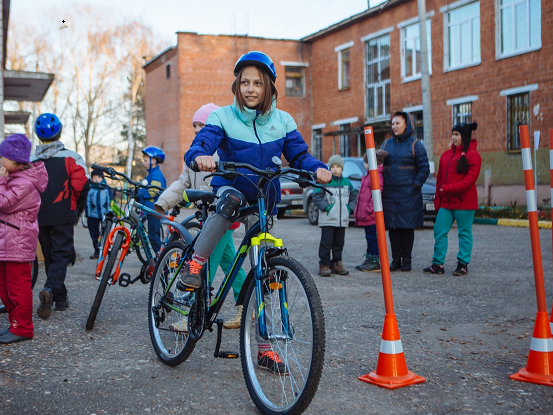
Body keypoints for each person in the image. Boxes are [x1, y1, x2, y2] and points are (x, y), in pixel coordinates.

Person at [181, 51, 331, 372]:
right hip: (231, 188)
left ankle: (264, 349)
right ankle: (195, 264)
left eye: (258, 83)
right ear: (237, 85)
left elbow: (300, 154)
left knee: (264, 272)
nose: (251, 88)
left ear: (269, 88)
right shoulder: (222, 117)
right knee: (229, 201)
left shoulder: (283, 121)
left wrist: (316, 168)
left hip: (263, 198)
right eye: (245, 82)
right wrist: (199, 155)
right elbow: (204, 143)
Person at [154, 103, 247, 330]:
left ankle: (192, 315)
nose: (197, 129)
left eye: (202, 125)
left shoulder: (222, 151)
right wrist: (163, 202)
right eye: (195, 125)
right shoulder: (195, 154)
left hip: (222, 218)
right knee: (230, 264)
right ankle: (246, 306)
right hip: (207, 216)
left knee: (203, 265)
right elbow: (182, 183)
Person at [32, 113, 90, 319]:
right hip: (63, 212)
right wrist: (76, 210)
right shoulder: (72, 158)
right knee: (61, 255)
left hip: (39, 214)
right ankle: (50, 289)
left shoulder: (32, 161)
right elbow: (82, 185)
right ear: (60, 131)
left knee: (49, 256)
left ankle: (60, 298)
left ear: (38, 136)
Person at [0, 135, 48, 344]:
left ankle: (23, 328)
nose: (0, 160)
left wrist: (1, 180)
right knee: (4, 287)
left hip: (18, 244)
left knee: (17, 288)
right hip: (7, 241)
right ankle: (15, 324)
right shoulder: (15, 178)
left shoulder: (25, 183)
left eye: (3, 157)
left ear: (15, 160)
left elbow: (3, 203)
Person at [424, 122, 481, 276]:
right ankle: (438, 264)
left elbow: (469, 181)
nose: (454, 138)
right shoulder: (445, 156)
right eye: (453, 134)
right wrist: (438, 199)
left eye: (457, 135)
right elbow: (440, 180)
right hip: (447, 203)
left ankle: (462, 264)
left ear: (465, 137)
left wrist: (447, 189)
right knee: (439, 230)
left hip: (465, 203)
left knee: (464, 233)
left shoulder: (473, 156)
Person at [381, 111, 430, 272]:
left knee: (407, 228)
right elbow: (378, 163)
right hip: (390, 195)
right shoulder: (387, 144)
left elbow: (424, 168)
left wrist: (415, 185)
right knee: (393, 229)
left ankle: (407, 261)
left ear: (406, 125)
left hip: (409, 195)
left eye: (398, 123)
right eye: (393, 124)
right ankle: (396, 260)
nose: (394, 126)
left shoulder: (416, 145)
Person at [313, 155, 357, 276]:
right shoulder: (325, 182)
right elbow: (316, 196)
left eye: (338, 167)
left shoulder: (347, 183)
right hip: (328, 219)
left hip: (342, 220)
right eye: (333, 167)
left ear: (342, 168)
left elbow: (353, 198)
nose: (335, 169)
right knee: (326, 243)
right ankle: (324, 265)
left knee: (339, 243)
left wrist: (349, 209)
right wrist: (327, 207)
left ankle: (337, 264)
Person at [354, 150, 387, 272]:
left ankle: (375, 261)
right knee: (370, 238)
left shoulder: (376, 176)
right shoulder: (369, 175)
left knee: (373, 238)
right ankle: (370, 259)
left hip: (370, 216)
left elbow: (376, 195)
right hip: (366, 216)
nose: (364, 165)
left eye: (366, 162)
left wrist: (368, 210)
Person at [137, 146, 167, 255]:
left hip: (154, 211)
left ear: (153, 161)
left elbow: (152, 192)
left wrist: (139, 192)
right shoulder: (151, 174)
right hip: (150, 209)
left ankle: (162, 257)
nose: (143, 162)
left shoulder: (156, 175)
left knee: (153, 236)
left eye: (146, 160)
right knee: (153, 234)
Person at [86, 169, 111, 259]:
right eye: (94, 178)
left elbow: (110, 201)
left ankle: (106, 249)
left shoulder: (106, 189)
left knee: (105, 233)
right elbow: (87, 202)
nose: (96, 179)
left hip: (105, 215)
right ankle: (97, 251)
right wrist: (88, 214)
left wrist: (109, 212)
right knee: (94, 234)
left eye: (99, 177)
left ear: (102, 178)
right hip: (93, 215)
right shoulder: (90, 189)